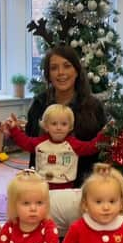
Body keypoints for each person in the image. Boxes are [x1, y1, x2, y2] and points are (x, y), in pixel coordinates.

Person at [25, 45, 106, 187]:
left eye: (67, 66)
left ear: (76, 71)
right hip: (42, 187)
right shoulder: (39, 104)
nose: (60, 73)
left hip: (82, 187)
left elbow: (100, 151)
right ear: (48, 74)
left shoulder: (94, 107)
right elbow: (32, 146)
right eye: (54, 68)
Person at [3, 104, 102, 189]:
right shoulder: (40, 143)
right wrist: (14, 129)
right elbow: (24, 142)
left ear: (70, 127)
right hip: (42, 187)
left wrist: (104, 135)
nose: (59, 128)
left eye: (64, 124)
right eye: (54, 124)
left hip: (66, 188)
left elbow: (91, 147)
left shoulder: (73, 144)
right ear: (46, 126)